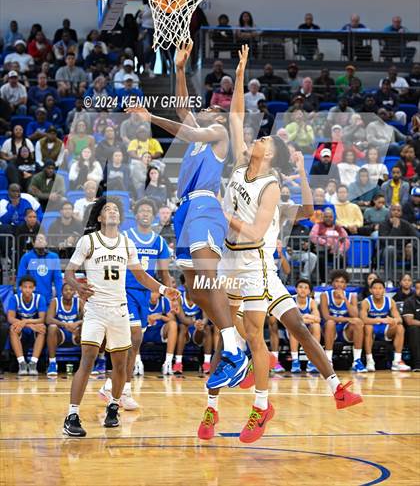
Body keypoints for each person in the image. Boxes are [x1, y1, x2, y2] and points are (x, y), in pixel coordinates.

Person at [200, 45, 362, 443]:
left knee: (284, 331)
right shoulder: (241, 165)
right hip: (232, 261)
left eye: (266, 141)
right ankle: (213, 406)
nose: (259, 139)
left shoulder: (274, 190)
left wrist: (226, 215)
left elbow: (298, 213)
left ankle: (308, 393)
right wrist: (239, 75)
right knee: (228, 336)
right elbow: (236, 117)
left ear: (271, 158)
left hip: (258, 264)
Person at [131, 43, 249, 391]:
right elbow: (184, 109)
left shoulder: (218, 134)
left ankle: (233, 350)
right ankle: (235, 341)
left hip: (203, 206)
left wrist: (151, 117)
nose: (209, 108)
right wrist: (180, 69)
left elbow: (188, 129)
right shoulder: (201, 132)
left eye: (214, 107)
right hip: (184, 210)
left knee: (207, 277)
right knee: (197, 292)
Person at [62, 197, 180, 437]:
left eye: (116, 209)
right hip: (96, 308)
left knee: (119, 363)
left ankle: (113, 407)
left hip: (119, 309)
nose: (113, 212)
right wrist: (77, 286)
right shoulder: (89, 241)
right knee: (88, 358)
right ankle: (72, 415)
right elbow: (68, 272)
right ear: (99, 217)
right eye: (108, 209)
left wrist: (163, 290)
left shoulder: (126, 243)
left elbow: (141, 276)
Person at [99, 198, 171, 408]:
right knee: (135, 337)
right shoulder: (125, 237)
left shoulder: (159, 242)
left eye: (150, 210)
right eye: (142, 210)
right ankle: (124, 390)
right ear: (136, 215)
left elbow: (164, 273)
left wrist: (168, 295)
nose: (146, 213)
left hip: (144, 296)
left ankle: (113, 386)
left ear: (154, 215)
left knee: (133, 344)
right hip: (124, 292)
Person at [320, 270, 367, 372]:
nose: (339, 284)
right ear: (332, 283)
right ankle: (328, 360)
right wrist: (347, 319)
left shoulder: (351, 296)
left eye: (342, 282)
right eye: (337, 281)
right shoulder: (325, 295)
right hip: (330, 331)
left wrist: (344, 299)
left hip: (346, 331)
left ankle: (357, 361)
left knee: (358, 322)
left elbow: (355, 315)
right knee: (330, 323)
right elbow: (326, 316)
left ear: (346, 285)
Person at [361, 278, 411, 372]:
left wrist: (393, 320)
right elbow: (363, 320)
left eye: (380, 288)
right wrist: (380, 320)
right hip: (371, 330)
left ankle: (397, 361)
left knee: (400, 327)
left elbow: (399, 319)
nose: (377, 291)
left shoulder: (390, 301)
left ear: (384, 290)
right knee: (367, 327)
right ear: (370, 290)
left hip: (386, 330)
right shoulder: (366, 302)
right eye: (375, 288)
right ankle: (369, 361)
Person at [7, 275, 47, 375]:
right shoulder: (15, 298)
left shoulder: (39, 298)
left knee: (42, 328)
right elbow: (10, 318)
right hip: (24, 329)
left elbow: (42, 319)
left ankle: (33, 363)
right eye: (25, 287)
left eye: (30, 287)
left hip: (32, 329)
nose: (27, 290)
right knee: (12, 328)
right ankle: (22, 363)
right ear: (20, 288)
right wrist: (29, 325)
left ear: (34, 288)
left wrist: (25, 321)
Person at [46, 283, 83, 376]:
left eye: (71, 289)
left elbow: (89, 318)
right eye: (66, 290)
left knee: (87, 327)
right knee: (52, 327)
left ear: (74, 292)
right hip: (61, 335)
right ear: (61, 292)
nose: (68, 291)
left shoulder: (79, 302)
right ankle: (52, 363)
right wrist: (65, 324)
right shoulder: (55, 301)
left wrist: (77, 323)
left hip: (75, 334)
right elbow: (48, 319)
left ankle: (86, 364)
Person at [17, 232, 62, 305]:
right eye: (38, 239)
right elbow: (20, 278)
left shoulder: (53, 257)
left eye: (42, 239)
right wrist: (20, 296)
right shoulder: (27, 257)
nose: (40, 241)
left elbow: (58, 279)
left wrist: (60, 297)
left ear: (46, 243)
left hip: (47, 298)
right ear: (33, 243)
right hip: (31, 298)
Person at [172, 287, 210, 375]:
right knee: (182, 327)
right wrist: (195, 322)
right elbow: (182, 319)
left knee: (207, 328)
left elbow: (205, 317)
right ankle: (178, 363)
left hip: (197, 331)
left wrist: (202, 323)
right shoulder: (180, 298)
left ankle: (207, 363)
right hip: (186, 332)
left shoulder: (201, 298)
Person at [378, 204, 419, 283]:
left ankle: (416, 281)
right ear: (390, 212)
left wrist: (411, 246)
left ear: (401, 213)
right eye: (394, 210)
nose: (396, 212)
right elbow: (387, 242)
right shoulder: (383, 225)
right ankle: (389, 280)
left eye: (398, 210)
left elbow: (417, 238)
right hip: (386, 252)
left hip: (403, 253)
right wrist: (395, 228)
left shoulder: (406, 224)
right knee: (390, 249)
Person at [289, 279, 321, 374]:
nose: (303, 290)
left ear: (309, 291)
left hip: (307, 330)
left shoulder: (311, 302)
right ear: (296, 289)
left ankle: (312, 361)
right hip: (292, 330)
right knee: (295, 326)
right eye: (300, 287)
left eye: (306, 288)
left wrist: (303, 318)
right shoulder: (290, 300)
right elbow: (291, 319)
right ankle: (295, 361)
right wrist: (307, 317)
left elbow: (318, 319)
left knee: (316, 326)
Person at [402, 281, 420, 371]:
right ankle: (417, 364)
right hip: (414, 330)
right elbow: (409, 321)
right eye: (418, 288)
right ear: (414, 289)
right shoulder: (409, 301)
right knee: (414, 329)